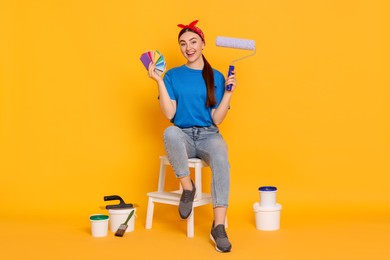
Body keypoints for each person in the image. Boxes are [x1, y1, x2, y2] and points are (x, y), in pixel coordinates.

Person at [147, 20, 236, 253]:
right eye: (183, 43)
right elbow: (169, 114)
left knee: (221, 157)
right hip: (183, 135)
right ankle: (188, 187)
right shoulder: (172, 76)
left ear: (203, 44)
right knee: (170, 131)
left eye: (193, 41)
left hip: (209, 134)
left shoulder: (215, 76)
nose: (189, 47)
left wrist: (228, 93)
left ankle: (218, 227)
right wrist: (158, 80)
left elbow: (217, 119)